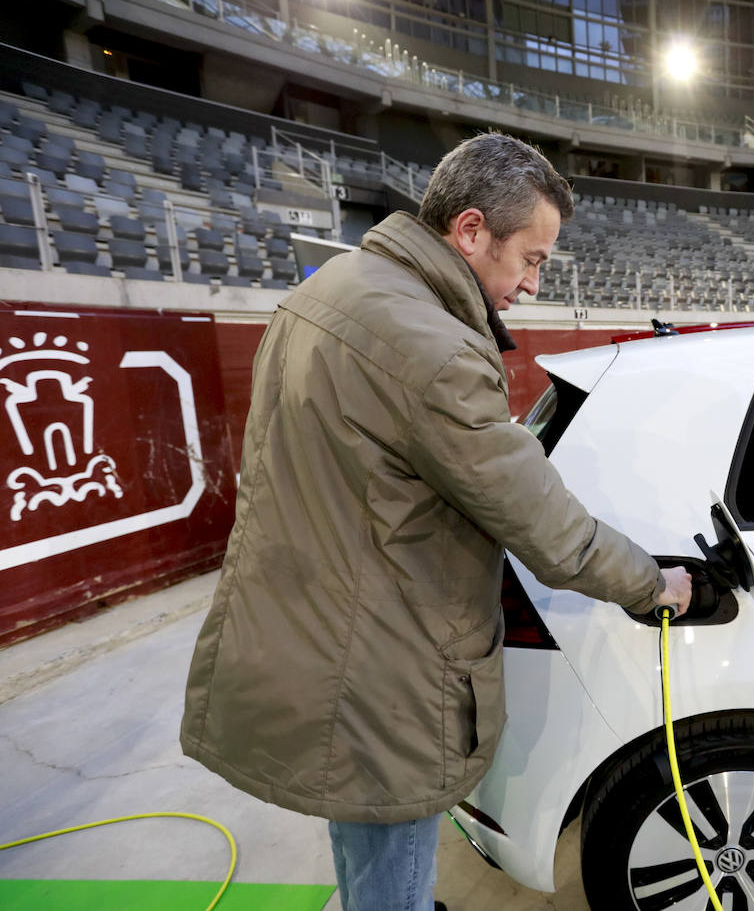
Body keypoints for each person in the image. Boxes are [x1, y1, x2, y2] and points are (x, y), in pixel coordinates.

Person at [180, 133, 693, 911]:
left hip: (309, 631)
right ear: (471, 230)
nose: (531, 282)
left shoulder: (333, 286)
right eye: (532, 258)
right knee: (392, 858)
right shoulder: (433, 352)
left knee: (363, 840)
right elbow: (548, 529)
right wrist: (652, 580)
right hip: (381, 667)